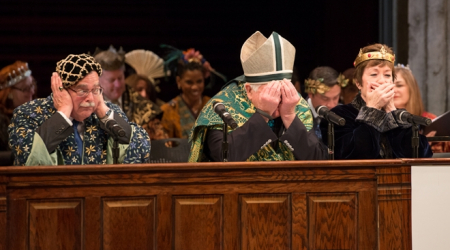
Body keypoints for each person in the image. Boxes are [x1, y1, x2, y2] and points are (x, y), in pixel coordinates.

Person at [189, 31, 327, 162]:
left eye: (282, 91)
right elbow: (224, 157)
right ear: (249, 90)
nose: (277, 99)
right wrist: (263, 114)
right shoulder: (223, 106)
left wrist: (290, 116)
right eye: (270, 91)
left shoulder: (295, 103)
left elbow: (318, 159)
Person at [8, 54, 150, 166]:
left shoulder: (107, 112)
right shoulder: (28, 113)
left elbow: (141, 148)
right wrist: (63, 113)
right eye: (82, 91)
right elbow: (28, 159)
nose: (90, 98)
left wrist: (102, 109)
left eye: (95, 89)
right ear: (61, 89)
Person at [322, 44, 432, 159]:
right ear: (359, 83)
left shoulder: (402, 115)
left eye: (387, 75)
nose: (382, 81)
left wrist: (392, 112)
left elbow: (420, 156)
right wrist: (373, 109)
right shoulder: (338, 115)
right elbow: (355, 155)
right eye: (374, 74)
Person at [94, 46, 167, 140]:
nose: (118, 85)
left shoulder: (145, 108)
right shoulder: (86, 106)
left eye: (120, 78)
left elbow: (163, 144)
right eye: (112, 80)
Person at [394, 64, 450, 152]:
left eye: (399, 85)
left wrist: (428, 146)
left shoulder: (429, 120)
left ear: (411, 89)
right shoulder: (380, 121)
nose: (393, 90)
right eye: (389, 86)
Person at [160, 48, 212, 139]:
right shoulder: (169, 110)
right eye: (189, 82)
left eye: (199, 81)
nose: (195, 87)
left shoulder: (212, 105)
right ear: (179, 81)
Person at [0, 61, 36, 150]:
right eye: (25, 89)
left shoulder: (37, 111)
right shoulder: (2, 121)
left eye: (32, 85)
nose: (32, 92)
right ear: (9, 93)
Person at [304, 66, 347, 141]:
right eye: (325, 98)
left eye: (335, 98)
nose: (332, 105)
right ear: (310, 93)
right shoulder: (296, 115)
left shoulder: (346, 114)